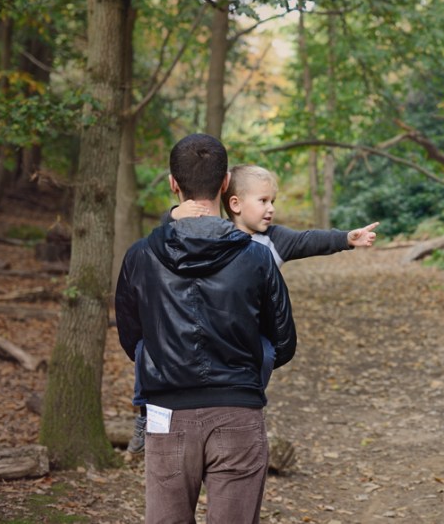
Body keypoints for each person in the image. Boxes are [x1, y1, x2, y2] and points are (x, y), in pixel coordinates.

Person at [126, 163, 379, 453]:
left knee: (268, 351)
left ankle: (248, 401)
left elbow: (308, 239)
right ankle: (144, 414)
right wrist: (171, 214)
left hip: (245, 338)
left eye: (273, 201)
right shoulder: (216, 234)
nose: (270, 208)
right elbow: (171, 236)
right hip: (201, 330)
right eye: (263, 201)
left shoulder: (275, 239)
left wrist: (346, 238)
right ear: (234, 204)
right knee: (146, 348)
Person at [115, 133, 296, 523]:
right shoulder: (256, 258)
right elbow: (283, 341)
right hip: (238, 413)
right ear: (226, 183)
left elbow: (132, 338)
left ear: (173, 184)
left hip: (167, 411)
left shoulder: (140, 256)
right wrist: (247, 368)